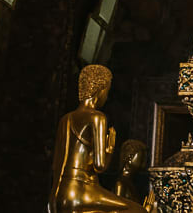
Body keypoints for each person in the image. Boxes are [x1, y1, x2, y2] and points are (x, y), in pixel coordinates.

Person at [49, 65, 148, 213]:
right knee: (138, 210)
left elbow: (56, 165)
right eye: (107, 91)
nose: (106, 97)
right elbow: (100, 166)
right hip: (82, 190)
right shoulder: (96, 117)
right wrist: (110, 147)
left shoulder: (66, 119)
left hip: (58, 194)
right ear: (100, 89)